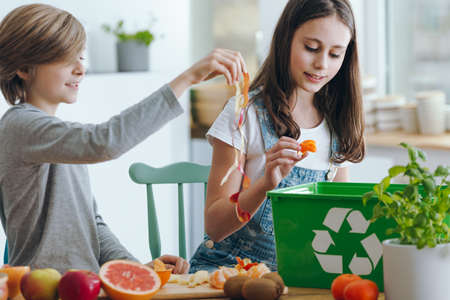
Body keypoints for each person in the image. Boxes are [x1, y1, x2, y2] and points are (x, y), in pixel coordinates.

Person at [0, 4, 246, 274]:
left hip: (87, 287)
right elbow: (104, 142)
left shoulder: (56, 136)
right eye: (65, 58)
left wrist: (134, 269)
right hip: (43, 290)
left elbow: (91, 224)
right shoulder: (18, 126)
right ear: (23, 68)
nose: (80, 69)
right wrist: (188, 78)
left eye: (81, 57)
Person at [189, 0, 365, 273]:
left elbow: (336, 220)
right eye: (311, 48)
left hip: (295, 277)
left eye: (335, 54)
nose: (321, 64)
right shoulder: (244, 115)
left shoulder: (337, 124)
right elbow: (215, 227)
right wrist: (264, 184)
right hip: (226, 273)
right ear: (286, 39)